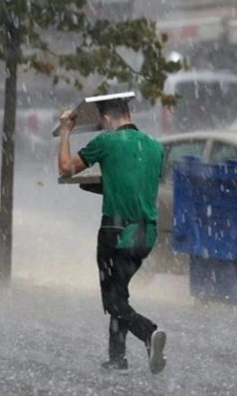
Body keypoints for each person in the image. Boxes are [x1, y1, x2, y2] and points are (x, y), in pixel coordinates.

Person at [57, 96, 167, 374]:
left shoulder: (106, 142)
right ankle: (117, 358)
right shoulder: (155, 147)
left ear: (106, 119)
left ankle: (148, 332)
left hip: (116, 232)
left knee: (113, 300)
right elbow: (136, 185)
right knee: (119, 292)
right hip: (146, 235)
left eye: (102, 123)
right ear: (129, 113)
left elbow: (65, 168)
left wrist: (67, 131)